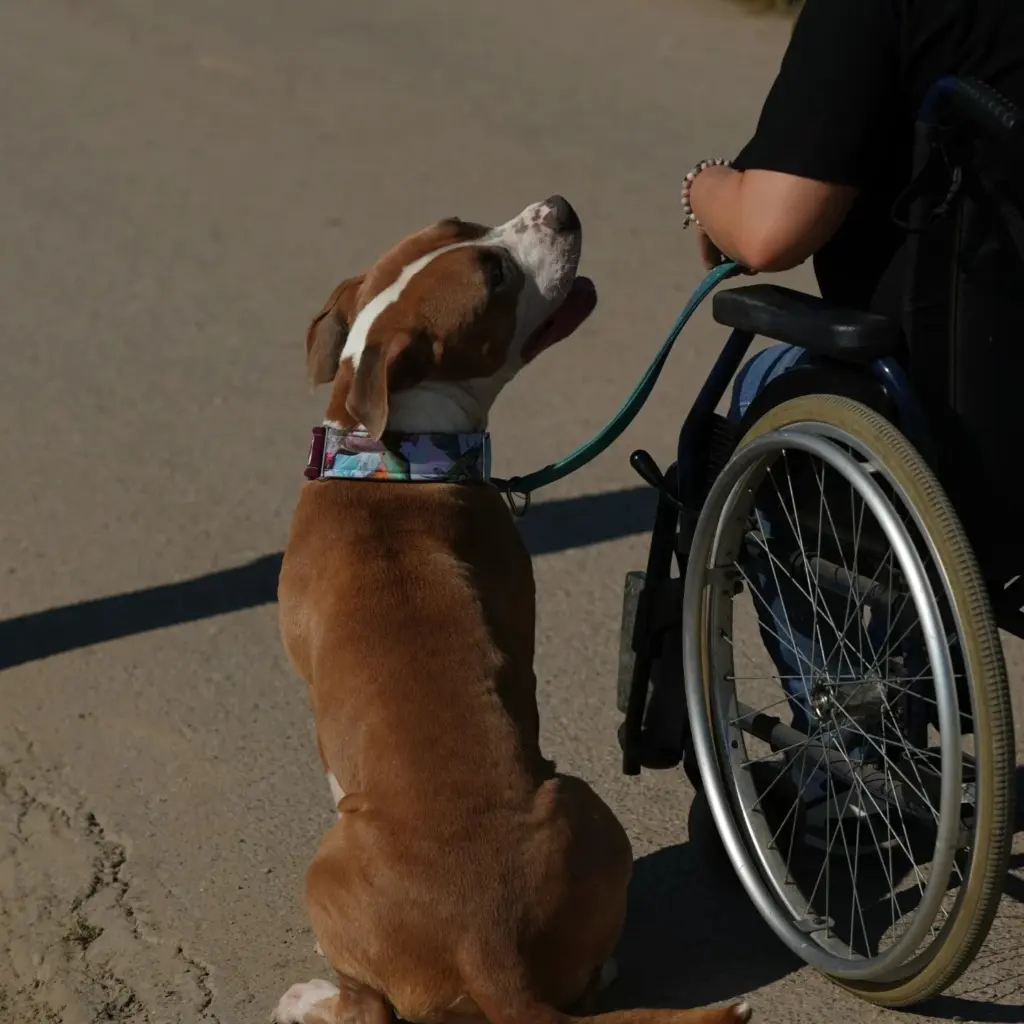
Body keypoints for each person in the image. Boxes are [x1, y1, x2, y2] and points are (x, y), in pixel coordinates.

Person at [678, 0, 1024, 834]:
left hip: (981, 448)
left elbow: (768, 231)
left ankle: (857, 763)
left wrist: (704, 189)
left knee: (770, 404)